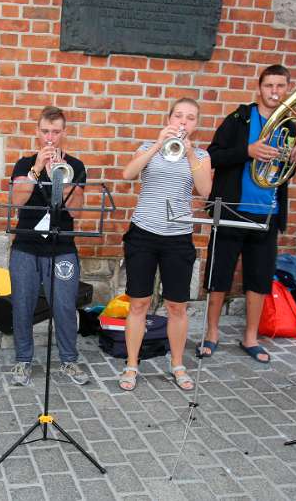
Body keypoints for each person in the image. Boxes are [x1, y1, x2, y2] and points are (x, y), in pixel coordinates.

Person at [199, 64, 296, 364]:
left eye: (280, 86)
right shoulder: (239, 119)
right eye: (269, 85)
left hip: (267, 212)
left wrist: (293, 160)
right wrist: (247, 152)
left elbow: (282, 173)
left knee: (259, 278)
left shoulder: (289, 126)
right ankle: (211, 333)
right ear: (259, 88)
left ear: (287, 89)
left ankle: (250, 337)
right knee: (219, 274)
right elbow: (213, 155)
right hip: (232, 210)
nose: (274, 91)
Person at [118, 98, 212, 391]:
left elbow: (205, 190)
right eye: (179, 116)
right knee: (138, 303)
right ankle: (131, 364)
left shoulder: (201, 155)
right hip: (143, 233)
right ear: (169, 119)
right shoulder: (149, 147)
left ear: (196, 125)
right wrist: (159, 145)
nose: (183, 121)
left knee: (177, 306)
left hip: (178, 237)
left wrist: (189, 153)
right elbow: (128, 174)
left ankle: (178, 364)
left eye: (190, 118)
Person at [8, 106, 89, 386]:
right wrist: (37, 170)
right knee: (22, 305)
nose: (50, 138)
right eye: (45, 132)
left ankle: (69, 360)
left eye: (55, 132)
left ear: (64, 133)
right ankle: (23, 360)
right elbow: (17, 201)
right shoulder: (23, 164)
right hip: (25, 246)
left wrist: (61, 178)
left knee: (65, 305)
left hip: (62, 245)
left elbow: (76, 210)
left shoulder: (75, 166)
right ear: (37, 132)